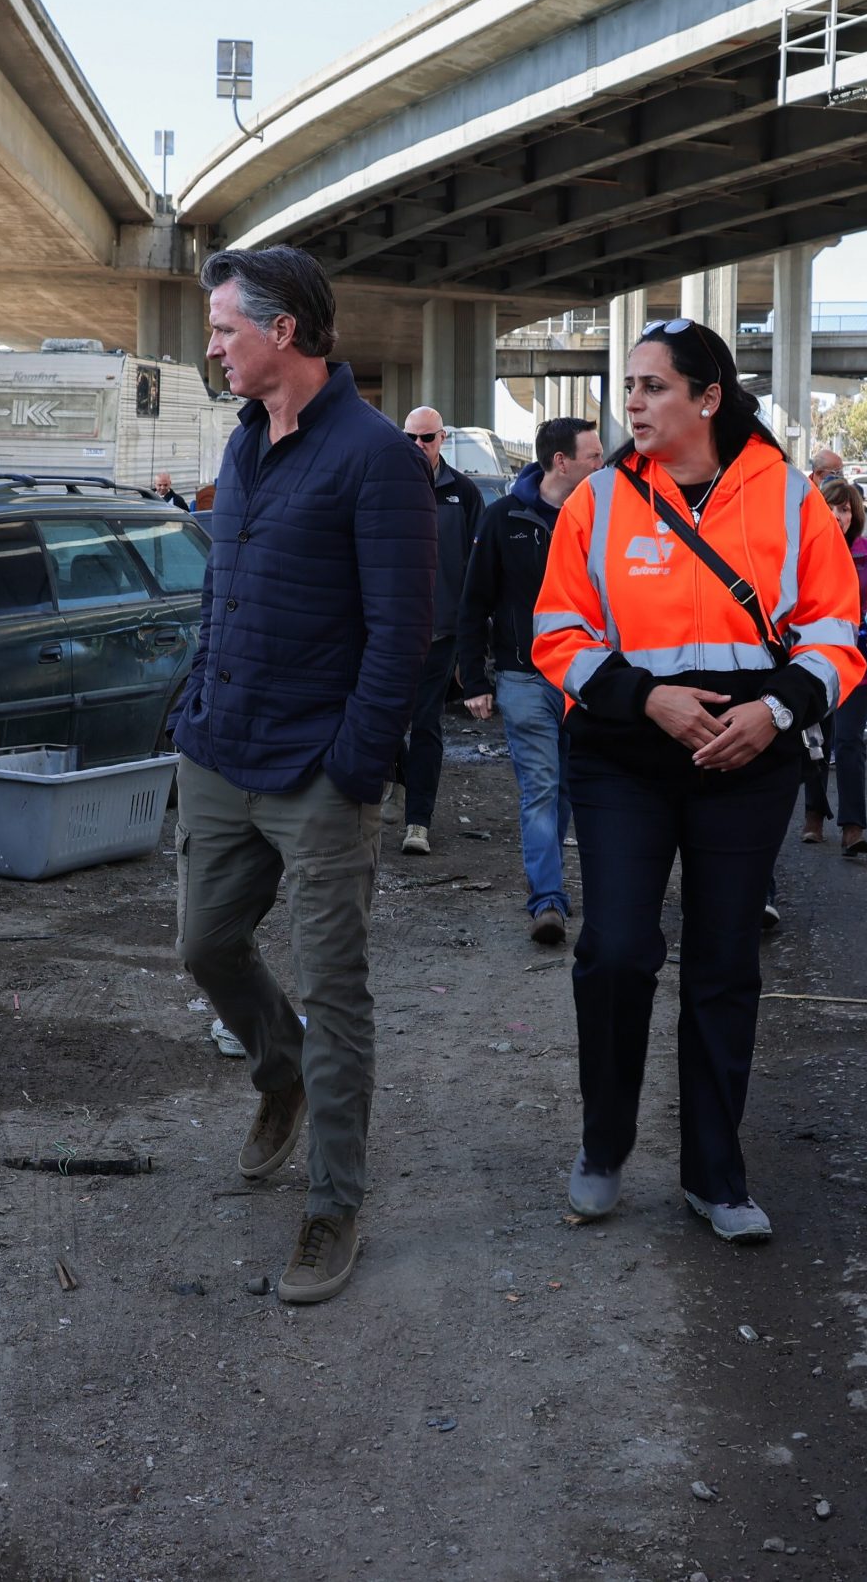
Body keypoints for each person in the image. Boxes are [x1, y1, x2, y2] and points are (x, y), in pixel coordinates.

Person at [532, 317, 864, 1245]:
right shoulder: (596, 504)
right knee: (617, 953)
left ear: (708, 398)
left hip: (748, 761)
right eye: (629, 386)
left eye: (653, 387)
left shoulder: (787, 499)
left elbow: (840, 636)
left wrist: (776, 714)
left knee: (724, 965)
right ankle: (604, 1147)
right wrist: (648, 701)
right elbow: (557, 635)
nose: (632, 402)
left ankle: (715, 1174)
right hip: (624, 758)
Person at [170, 244, 435, 1303]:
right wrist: (193, 697)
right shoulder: (242, 443)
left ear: (284, 331)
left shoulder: (374, 455)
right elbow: (220, 586)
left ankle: (332, 1204)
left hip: (316, 771)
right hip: (220, 747)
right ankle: (275, 1066)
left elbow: (403, 629)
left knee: (336, 988)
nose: (213, 347)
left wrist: (355, 765)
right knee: (203, 943)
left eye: (226, 328)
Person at [459, 419, 601, 946]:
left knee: (569, 785)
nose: (600, 465)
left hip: (588, 678)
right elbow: (474, 602)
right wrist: (476, 677)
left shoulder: (602, 518)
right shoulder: (504, 519)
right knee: (540, 787)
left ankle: (560, 888)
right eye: (592, 455)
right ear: (561, 462)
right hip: (524, 677)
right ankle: (547, 901)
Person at [395, 406, 484, 857]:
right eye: (409, 438)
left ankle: (417, 821)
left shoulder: (463, 493)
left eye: (425, 438)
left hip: (440, 635)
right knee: (386, 722)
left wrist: (474, 644)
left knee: (426, 725)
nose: (417, 447)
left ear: (442, 438)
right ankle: (395, 791)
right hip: (390, 634)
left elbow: (479, 572)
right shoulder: (386, 487)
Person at [801, 479, 867, 856]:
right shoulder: (803, 550)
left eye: (844, 509)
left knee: (850, 742)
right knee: (815, 742)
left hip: (860, 663)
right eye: (831, 507)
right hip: (815, 661)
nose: (837, 516)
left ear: (855, 514)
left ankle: (852, 828)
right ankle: (813, 818)